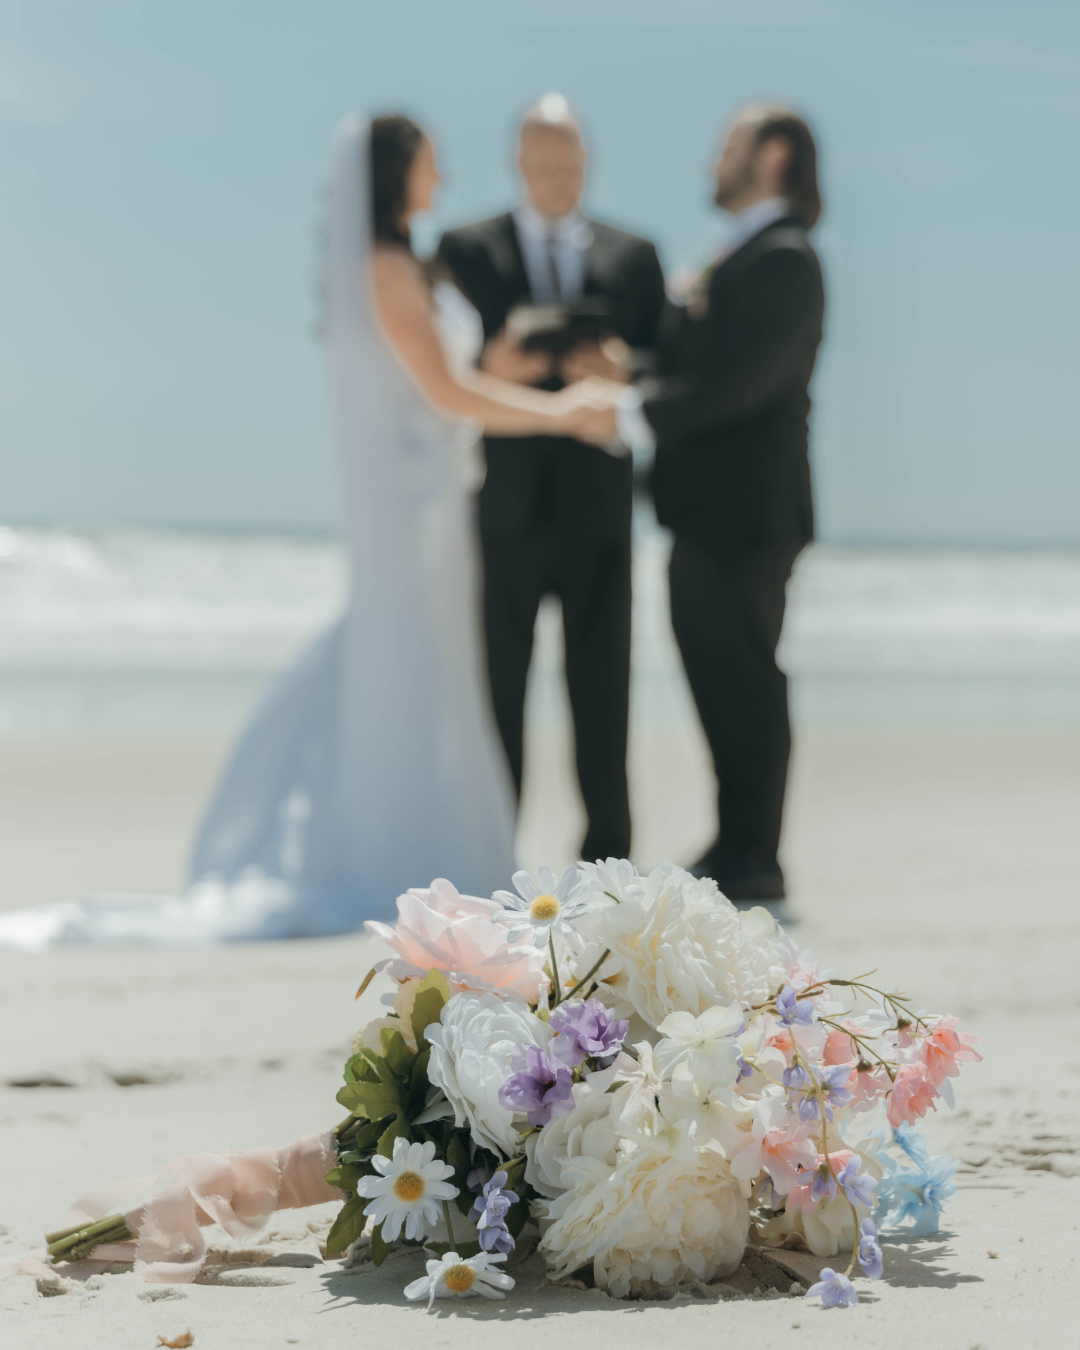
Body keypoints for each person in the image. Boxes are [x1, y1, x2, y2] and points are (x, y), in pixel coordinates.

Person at [0, 114, 595, 950]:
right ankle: (404, 848)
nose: (444, 180)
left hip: (437, 500)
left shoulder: (405, 267)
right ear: (397, 176)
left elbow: (453, 381)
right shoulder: (386, 268)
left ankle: (435, 851)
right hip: (413, 506)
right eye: (431, 165)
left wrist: (523, 374)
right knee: (404, 660)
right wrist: (559, 414)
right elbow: (443, 393)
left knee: (429, 669)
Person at [576, 105, 825, 905]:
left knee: (745, 677)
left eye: (729, 147)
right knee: (714, 675)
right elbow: (704, 360)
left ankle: (756, 851)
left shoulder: (785, 258)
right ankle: (737, 838)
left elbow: (740, 383)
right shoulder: (741, 255)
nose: (714, 161)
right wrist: (634, 363)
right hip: (706, 513)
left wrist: (630, 409)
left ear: (774, 154)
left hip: (749, 515)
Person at [436, 95, 666, 864]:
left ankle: (609, 862)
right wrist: (492, 367)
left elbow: (663, 367)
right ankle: (490, 851)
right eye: (544, 166)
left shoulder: (636, 256)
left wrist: (621, 368)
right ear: (517, 165)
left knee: (603, 695)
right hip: (501, 507)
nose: (558, 179)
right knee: (498, 693)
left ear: (587, 163)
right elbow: (437, 371)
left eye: (570, 165)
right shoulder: (464, 249)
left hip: (600, 511)